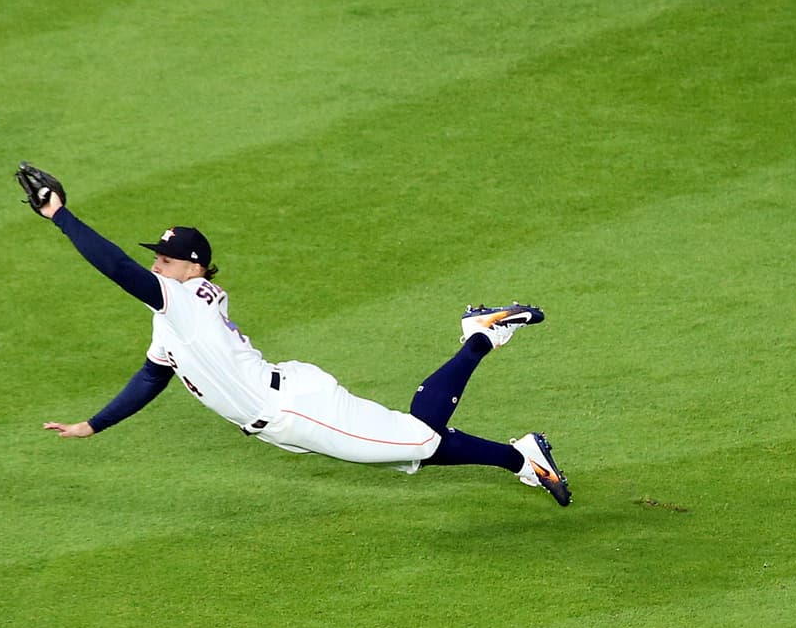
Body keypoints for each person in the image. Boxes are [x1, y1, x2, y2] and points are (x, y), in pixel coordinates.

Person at [29, 190, 571, 506]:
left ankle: (481, 335)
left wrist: (61, 217)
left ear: (193, 267)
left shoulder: (186, 296)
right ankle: (522, 457)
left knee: (419, 438)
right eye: (157, 257)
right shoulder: (174, 316)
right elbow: (152, 376)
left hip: (293, 408)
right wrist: (93, 425)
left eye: (165, 259)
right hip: (286, 412)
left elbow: (117, 268)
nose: (155, 264)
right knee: (410, 448)